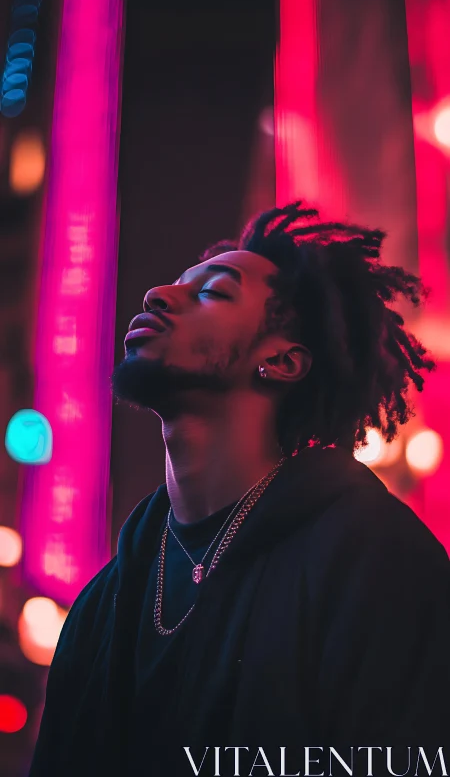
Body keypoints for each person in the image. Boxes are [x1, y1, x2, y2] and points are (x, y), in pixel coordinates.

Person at [29, 201, 449, 777]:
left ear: (281, 361)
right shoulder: (105, 602)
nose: (158, 294)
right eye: (177, 283)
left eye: (214, 292)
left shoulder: (375, 557)